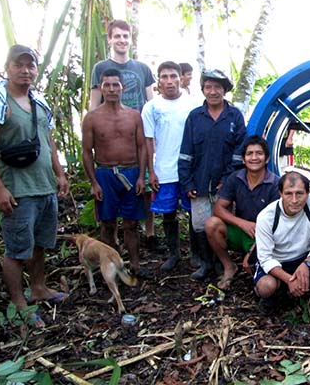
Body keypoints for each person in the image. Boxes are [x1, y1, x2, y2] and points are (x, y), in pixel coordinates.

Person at [0, 45, 70, 327]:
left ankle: (39, 287)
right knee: (17, 250)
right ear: (7, 66)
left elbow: (49, 141)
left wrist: (60, 173)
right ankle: (19, 302)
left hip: (44, 186)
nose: (25, 70)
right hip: (17, 189)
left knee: (40, 244)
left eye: (30, 66)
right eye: (19, 65)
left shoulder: (38, 101)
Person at [88, 19, 157, 248]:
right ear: (110, 39)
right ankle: (113, 239)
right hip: (111, 137)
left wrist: (152, 137)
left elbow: (151, 104)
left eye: (125, 36)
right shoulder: (100, 68)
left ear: (130, 39)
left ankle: (149, 232)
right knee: (110, 192)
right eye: (117, 36)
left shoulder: (142, 69)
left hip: (139, 134)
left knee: (144, 185)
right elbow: (93, 104)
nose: (121, 40)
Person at [178, 69, 246, 280]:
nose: (213, 91)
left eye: (218, 87)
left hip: (225, 185)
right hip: (199, 182)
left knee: (221, 224)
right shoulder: (195, 117)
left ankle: (221, 263)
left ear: (225, 90)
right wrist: (187, 182)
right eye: (208, 87)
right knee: (199, 225)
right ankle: (206, 263)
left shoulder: (234, 116)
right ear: (203, 89)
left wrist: (227, 180)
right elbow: (186, 151)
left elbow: (239, 150)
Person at [82, 68, 149, 277]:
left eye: (115, 85)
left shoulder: (134, 116)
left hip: (130, 172)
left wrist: (141, 176)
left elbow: (141, 147)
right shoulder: (92, 118)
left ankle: (135, 265)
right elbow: (86, 151)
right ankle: (111, 265)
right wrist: (94, 182)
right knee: (107, 223)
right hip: (105, 173)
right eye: (107, 85)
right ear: (101, 88)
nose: (111, 89)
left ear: (123, 87)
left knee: (131, 223)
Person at [254, 172, 310, 313]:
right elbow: (265, 258)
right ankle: (273, 299)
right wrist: (289, 279)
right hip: (279, 261)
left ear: (308, 193)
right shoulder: (266, 217)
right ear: (280, 193)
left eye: (299, 193)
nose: (294, 200)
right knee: (266, 286)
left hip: (304, 256)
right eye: (288, 194)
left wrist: (307, 263)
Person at [142, 61, 200, 272]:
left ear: (181, 77)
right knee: (168, 213)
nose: (169, 81)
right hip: (164, 169)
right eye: (164, 77)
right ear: (159, 80)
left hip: (188, 170)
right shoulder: (152, 107)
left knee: (193, 211)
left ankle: (196, 254)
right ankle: (173, 254)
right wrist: (151, 171)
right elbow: (149, 141)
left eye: (173, 76)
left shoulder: (193, 104)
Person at [204, 135, 279, 290]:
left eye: (259, 153)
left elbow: (278, 224)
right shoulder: (235, 178)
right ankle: (229, 266)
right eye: (249, 154)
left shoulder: (276, 183)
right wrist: (241, 223)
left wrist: (256, 249)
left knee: (263, 283)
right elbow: (218, 208)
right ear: (243, 159)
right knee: (212, 224)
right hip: (242, 231)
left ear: (266, 158)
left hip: (267, 237)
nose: (254, 158)